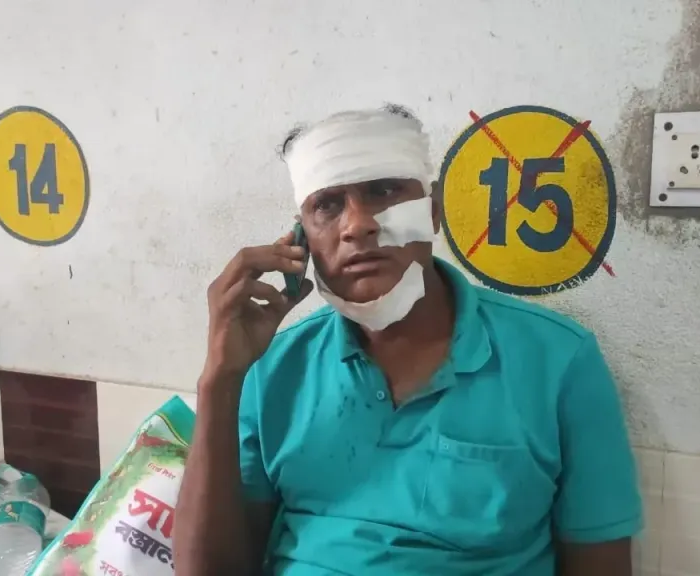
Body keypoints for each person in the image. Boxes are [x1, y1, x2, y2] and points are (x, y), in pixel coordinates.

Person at [174, 105, 642, 575]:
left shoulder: (558, 361)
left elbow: (600, 565)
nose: (357, 225)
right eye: (328, 205)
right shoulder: (273, 367)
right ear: (301, 240)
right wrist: (220, 378)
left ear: (433, 211)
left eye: (383, 191)